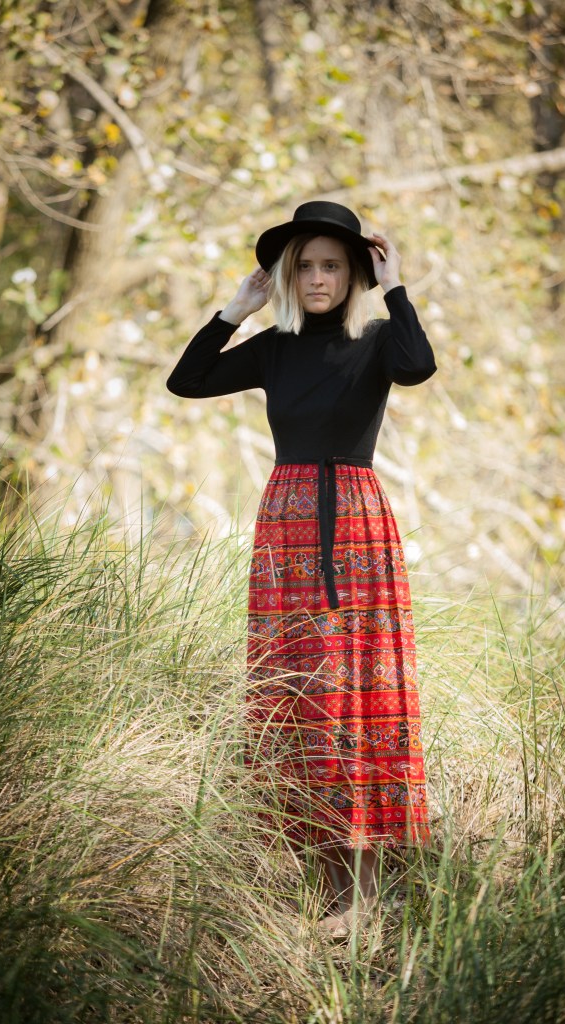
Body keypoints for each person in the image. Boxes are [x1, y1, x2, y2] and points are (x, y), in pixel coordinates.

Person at [167, 201, 437, 938]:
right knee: (298, 687)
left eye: (332, 266)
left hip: (355, 520)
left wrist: (395, 285)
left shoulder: (377, 339)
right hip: (285, 522)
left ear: (353, 275)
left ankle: (366, 892)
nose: (318, 278)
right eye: (306, 266)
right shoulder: (273, 348)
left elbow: (417, 366)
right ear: (289, 276)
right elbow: (186, 381)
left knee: (358, 686)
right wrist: (235, 311)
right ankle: (325, 885)